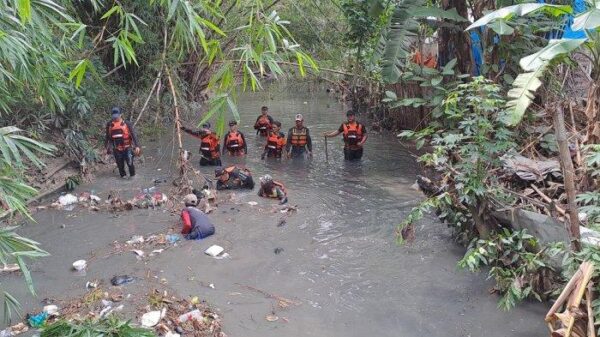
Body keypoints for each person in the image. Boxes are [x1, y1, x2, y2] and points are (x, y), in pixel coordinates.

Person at [105, 107, 141, 178]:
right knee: (120, 166)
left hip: (127, 147)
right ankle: (123, 177)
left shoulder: (127, 123)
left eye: (117, 116)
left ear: (121, 115)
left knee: (130, 163)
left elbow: (133, 135)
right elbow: (107, 136)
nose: (115, 118)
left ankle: (133, 177)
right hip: (116, 148)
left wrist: (137, 146)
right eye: (114, 116)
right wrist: (106, 147)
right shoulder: (109, 124)